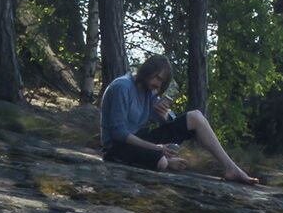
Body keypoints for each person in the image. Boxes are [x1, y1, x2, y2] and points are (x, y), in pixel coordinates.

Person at [99, 54, 257, 183]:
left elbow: (169, 122)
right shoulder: (122, 87)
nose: (158, 85)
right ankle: (165, 161)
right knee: (161, 162)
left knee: (195, 117)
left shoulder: (149, 91)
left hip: (139, 140)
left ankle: (230, 168)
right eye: (157, 78)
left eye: (162, 83)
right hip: (116, 148)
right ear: (147, 70)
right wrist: (158, 149)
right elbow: (119, 134)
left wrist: (165, 116)